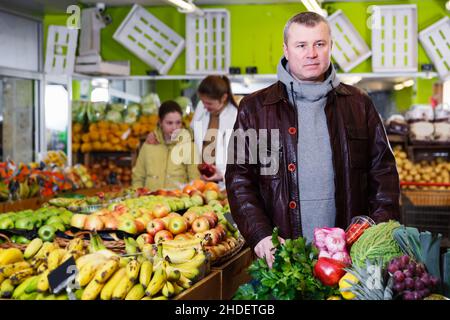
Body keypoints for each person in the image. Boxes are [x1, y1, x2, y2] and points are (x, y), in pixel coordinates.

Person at [225, 12, 400, 268]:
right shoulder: (255, 108)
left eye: (319, 44)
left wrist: (376, 230)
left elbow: (383, 173)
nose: (311, 53)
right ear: (286, 50)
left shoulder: (359, 104)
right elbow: (239, 178)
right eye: (301, 45)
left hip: (350, 258)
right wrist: (260, 235)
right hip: (282, 257)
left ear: (330, 47)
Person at [146, 75, 238, 185]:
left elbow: (241, 158)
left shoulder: (236, 116)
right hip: (201, 177)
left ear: (223, 98)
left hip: (224, 180)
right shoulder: (201, 107)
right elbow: (190, 132)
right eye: (203, 102)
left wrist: (222, 174)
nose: (204, 106)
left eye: (209, 103)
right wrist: (157, 133)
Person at [132, 100, 200, 191]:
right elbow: (138, 178)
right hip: (150, 202)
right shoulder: (148, 145)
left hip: (179, 202)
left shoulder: (190, 147)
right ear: (160, 122)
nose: (174, 128)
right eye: (169, 123)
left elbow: (195, 181)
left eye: (178, 122)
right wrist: (138, 196)